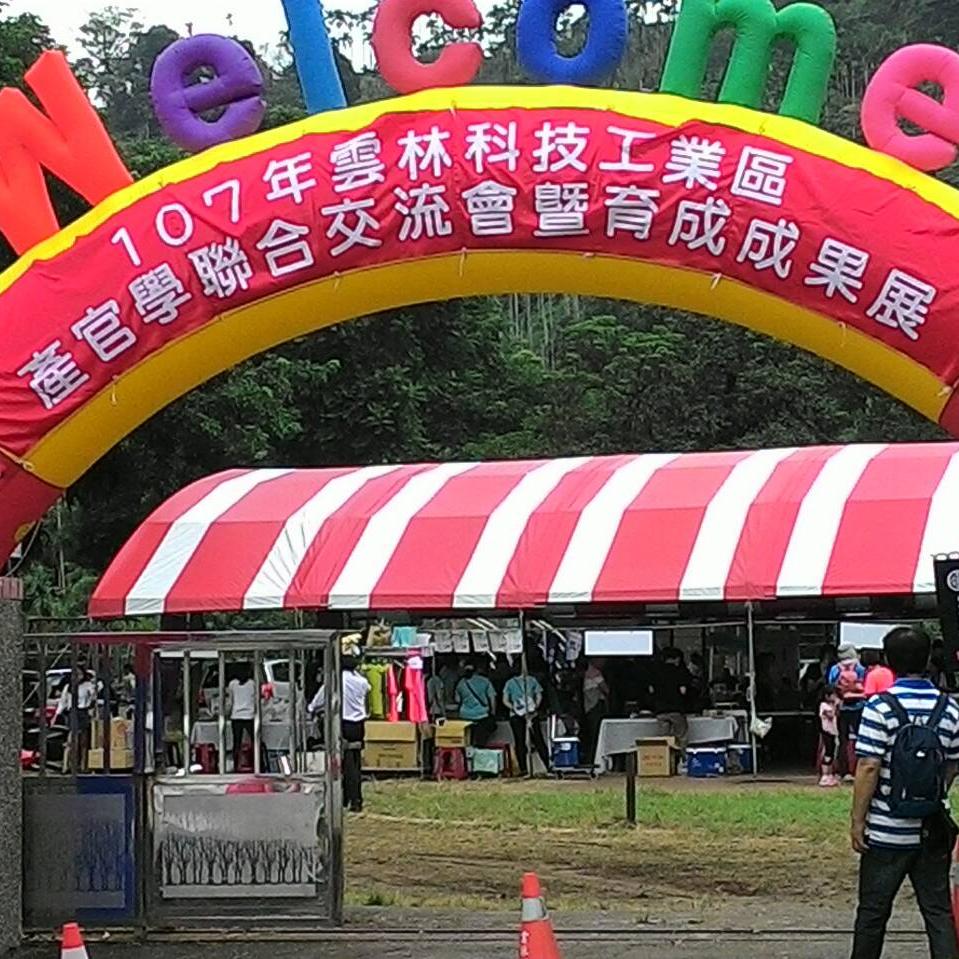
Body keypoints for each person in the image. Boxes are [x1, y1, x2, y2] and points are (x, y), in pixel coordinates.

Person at [851, 626, 959, 959]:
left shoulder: (879, 707)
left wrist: (858, 821)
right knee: (938, 913)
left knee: (873, 913)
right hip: (931, 829)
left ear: (888, 661)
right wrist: (933, 794)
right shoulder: (950, 708)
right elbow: (953, 764)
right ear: (928, 660)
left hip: (886, 830)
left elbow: (868, 766)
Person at [309, 636, 371, 812]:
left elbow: (317, 703)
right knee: (355, 761)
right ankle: (356, 798)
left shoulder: (333, 681)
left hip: (341, 723)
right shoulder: (362, 682)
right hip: (358, 725)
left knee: (340, 762)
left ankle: (344, 797)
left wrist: (312, 708)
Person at [503, 663, 550, 776]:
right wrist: (534, 707)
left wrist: (514, 708)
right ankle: (548, 765)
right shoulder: (532, 680)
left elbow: (505, 700)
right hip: (532, 714)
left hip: (516, 715)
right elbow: (539, 696)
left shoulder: (509, 683)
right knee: (538, 740)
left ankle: (523, 769)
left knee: (520, 741)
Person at [828, 643, 867, 776]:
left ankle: (842, 770)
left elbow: (831, 685)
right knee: (859, 738)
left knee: (842, 740)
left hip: (842, 706)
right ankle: (857, 769)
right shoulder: (859, 668)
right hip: (858, 706)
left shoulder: (835, 668)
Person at [53, 667, 96, 771]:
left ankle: (83, 766)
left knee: (84, 741)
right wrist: (56, 715)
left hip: (83, 711)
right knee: (71, 740)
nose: (77, 677)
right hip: (72, 712)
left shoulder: (87, 685)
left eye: (79, 674)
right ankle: (67, 765)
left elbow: (93, 697)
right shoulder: (68, 687)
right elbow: (63, 702)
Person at [653, 649, 691, 749]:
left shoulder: (656, 672)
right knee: (681, 737)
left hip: (660, 710)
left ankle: (665, 757)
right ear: (677, 659)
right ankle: (681, 757)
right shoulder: (679, 672)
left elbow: (651, 690)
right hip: (675, 708)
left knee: (663, 740)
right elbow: (683, 691)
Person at [455, 660, 497, 747]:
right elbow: (492, 698)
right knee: (481, 740)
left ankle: (467, 750)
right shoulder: (485, 681)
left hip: (465, 715)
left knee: (466, 739)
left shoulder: (460, 683)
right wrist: (493, 712)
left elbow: (457, 700)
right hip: (482, 714)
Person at [226, 663, 257, 772]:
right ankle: (257, 763)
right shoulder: (252, 684)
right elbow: (256, 700)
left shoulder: (232, 684)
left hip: (236, 715)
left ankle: (236, 765)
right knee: (255, 741)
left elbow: (230, 701)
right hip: (250, 715)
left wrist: (227, 713)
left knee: (237, 742)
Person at [582, 658, 610, 765]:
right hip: (595, 707)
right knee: (597, 735)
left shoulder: (585, 674)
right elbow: (606, 689)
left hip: (588, 708)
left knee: (591, 735)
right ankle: (595, 760)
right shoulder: (595, 673)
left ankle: (590, 759)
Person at [819, 686, 841, 788]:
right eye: (833, 695)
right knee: (828, 753)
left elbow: (837, 715)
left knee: (832, 753)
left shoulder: (832, 706)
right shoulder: (823, 705)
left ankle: (830, 774)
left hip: (833, 732)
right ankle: (825, 775)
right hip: (826, 731)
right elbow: (830, 715)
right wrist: (835, 706)